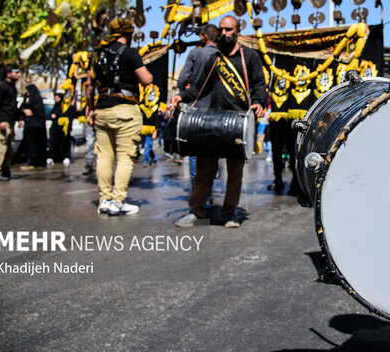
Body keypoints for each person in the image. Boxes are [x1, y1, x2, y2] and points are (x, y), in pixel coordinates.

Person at [172, 15, 267, 228]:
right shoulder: (214, 58)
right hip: (212, 120)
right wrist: (183, 96)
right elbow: (199, 87)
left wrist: (259, 102)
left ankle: (230, 212)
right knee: (204, 169)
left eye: (228, 30)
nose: (224, 33)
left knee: (235, 173)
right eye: (222, 30)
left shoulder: (250, 57)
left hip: (238, 122)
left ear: (238, 32)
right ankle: (196, 210)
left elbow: (260, 84)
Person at [86, 17, 153, 216]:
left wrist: (89, 110)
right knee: (125, 156)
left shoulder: (97, 54)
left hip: (102, 108)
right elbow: (146, 79)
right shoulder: (131, 53)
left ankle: (104, 199)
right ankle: (118, 201)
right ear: (128, 33)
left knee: (104, 157)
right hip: (125, 108)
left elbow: (90, 87)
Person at [176, 24, 219, 182]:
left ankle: (198, 185)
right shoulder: (223, 54)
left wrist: (182, 92)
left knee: (196, 149)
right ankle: (209, 183)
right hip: (217, 108)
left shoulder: (196, 53)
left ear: (204, 37)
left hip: (197, 105)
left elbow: (183, 77)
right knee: (213, 147)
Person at [0, 65, 21, 181]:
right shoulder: (1, 87)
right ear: (8, 73)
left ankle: (6, 170)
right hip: (3, 121)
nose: (18, 75)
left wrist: (19, 118)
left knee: (9, 148)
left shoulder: (13, 87)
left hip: (11, 121)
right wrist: (0, 120)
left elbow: (13, 105)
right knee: (0, 147)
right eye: (16, 72)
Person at [19, 84, 47, 169]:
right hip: (28, 125)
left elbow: (39, 112)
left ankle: (34, 160)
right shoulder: (26, 99)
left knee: (34, 144)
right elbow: (21, 109)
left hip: (36, 126)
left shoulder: (37, 100)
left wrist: (31, 111)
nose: (27, 93)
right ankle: (29, 159)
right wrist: (24, 111)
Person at [47, 92, 74, 167]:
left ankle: (66, 156)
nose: (56, 100)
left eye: (57, 98)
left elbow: (69, 117)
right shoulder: (55, 107)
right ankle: (53, 157)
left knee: (65, 143)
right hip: (55, 129)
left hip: (64, 129)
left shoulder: (67, 107)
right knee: (53, 143)